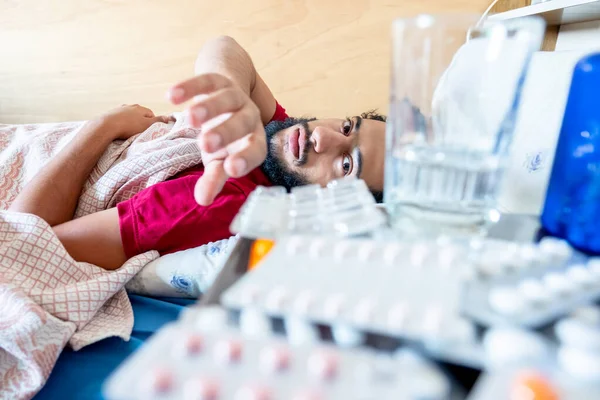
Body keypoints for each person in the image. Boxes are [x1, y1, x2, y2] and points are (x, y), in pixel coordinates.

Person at [8, 36, 387, 270]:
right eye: (348, 127)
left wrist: (103, 126)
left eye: (347, 163)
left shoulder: (216, 202)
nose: (322, 137)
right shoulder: (277, 143)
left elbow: (27, 238)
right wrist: (227, 92)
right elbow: (224, 47)